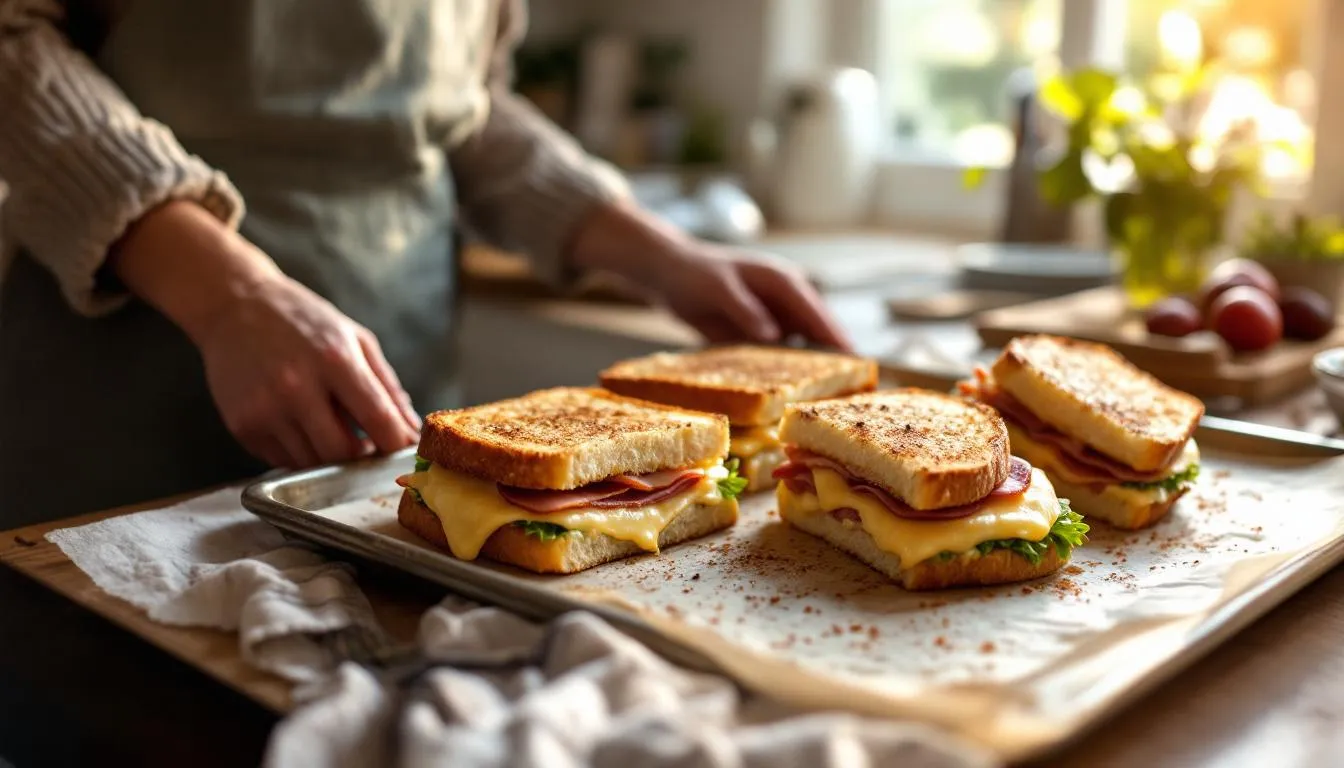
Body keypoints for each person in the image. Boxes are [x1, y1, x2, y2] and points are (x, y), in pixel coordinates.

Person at [0, 0, 850, 527]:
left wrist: (660, 254)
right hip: (119, 385)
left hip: (398, 389)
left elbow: (460, 112)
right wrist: (230, 295)